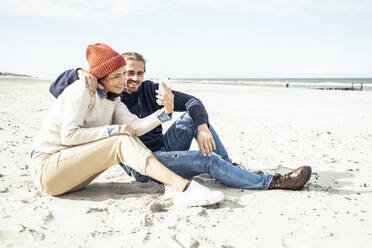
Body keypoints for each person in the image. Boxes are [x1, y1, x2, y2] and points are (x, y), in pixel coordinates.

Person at [50, 52, 312, 190]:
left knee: (193, 119)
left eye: (139, 72)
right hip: (142, 163)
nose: (133, 78)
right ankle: (271, 182)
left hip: (164, 146)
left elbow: (193, 102)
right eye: (127, 73)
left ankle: (230, 170)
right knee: (208, 160)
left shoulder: (148, 90)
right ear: (113, 74)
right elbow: (57, 89)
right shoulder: (109, 97)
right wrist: (78, 72)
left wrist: (199, 126)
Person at [30, 43, 225, 207]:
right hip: (48, 169)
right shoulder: (81, 90)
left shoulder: (113, 99)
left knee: (126, 135)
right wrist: (114, 130)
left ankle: (178, 185)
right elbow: (69, 136)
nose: (124, 81)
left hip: (75, 177)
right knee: (120, 139)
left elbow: (136, 126)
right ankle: (181, 187)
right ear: (101, 77)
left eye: (124, 74)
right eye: (117, 76)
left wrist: (165, 112)